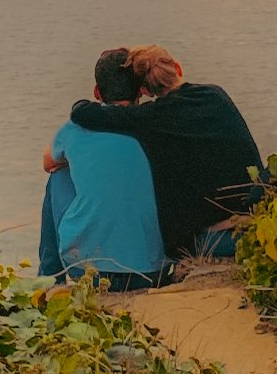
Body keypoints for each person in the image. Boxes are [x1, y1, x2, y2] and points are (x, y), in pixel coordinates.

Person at [67, 45, 262, 260]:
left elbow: (83, 113)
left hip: (213, 239)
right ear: (177, 68)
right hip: (258, 219)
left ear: (145, 91)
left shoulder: (153, 118)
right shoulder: (216, 94)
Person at [38, 48, 175, 291]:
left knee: (58, 178)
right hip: (152, 271)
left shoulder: (77, 125)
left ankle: (49, 281)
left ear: (96, 92)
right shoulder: (157, 125)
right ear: (141, 91)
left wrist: (78, 158)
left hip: (88, 271)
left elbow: (48, 162)